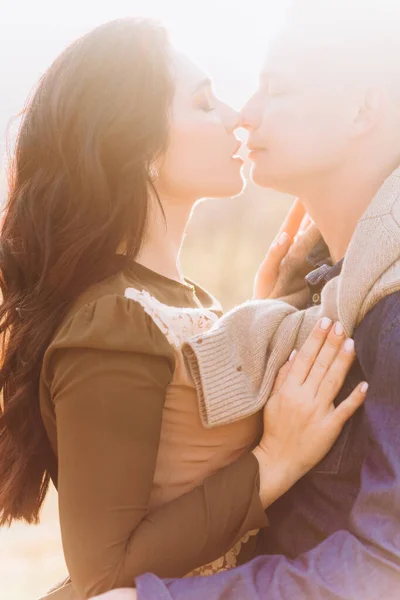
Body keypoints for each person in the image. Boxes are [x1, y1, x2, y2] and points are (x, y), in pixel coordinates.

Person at [0, 17, 363, 600]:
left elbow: (185, 445)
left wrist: (263, 311)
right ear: (141, 147)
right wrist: (273, 462)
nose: (235, 116)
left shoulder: (181, 300)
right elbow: (102, 573)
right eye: (202, 103)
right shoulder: (112, 321)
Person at [116, 2, 400, 598]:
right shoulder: (323, 298)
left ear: (362, 109)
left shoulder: (392, 310)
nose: (245, 114)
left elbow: (387, 568)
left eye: (278, 88)